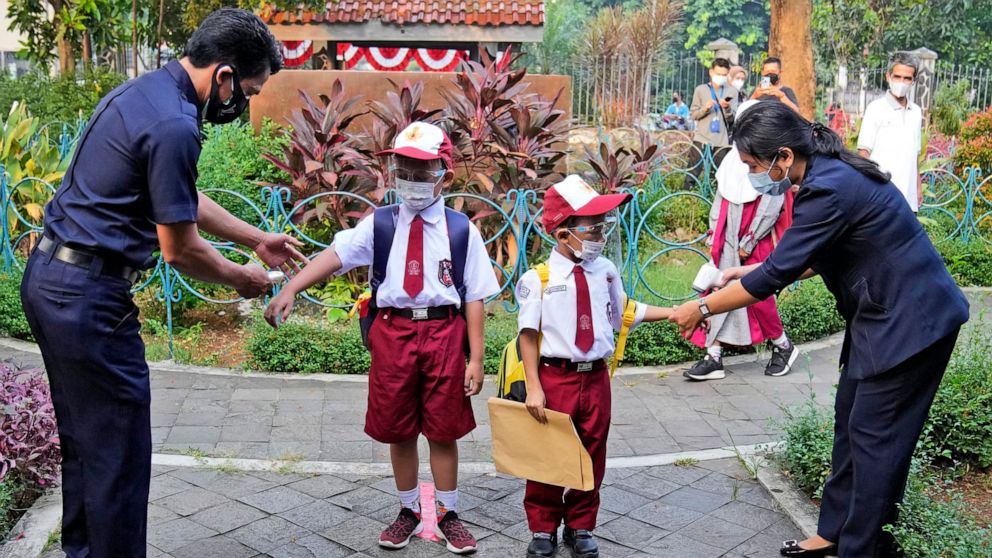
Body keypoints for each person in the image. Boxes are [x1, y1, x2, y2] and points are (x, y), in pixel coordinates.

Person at [18, 9, 304, 557]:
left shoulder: (145, 93)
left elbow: (179, 195)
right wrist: (239, 277)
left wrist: (254, 239)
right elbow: (180, 248)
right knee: (120, 455)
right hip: (88, 298)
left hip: (53, 281)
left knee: (86, 444)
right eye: (247, 90)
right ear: (223, 76)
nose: (242, 103)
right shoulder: (175, 123)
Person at [669, 102, 969, 558]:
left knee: (877, 445)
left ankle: (861, 548)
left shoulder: (830, 185)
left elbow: (775, 279)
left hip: (912, 326)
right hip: (882, 318)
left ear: (783, 157)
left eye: (753, 165)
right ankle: (832, 534)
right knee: (851, 427)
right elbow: (808, 254)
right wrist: (748, 269)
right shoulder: (826, 172)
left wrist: (702, 307)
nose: (751, 174)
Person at [265, 122, 499, 555]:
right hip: (392, 332)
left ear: (444, 174)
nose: (410, 179)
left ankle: (448, 512)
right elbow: (335, 256)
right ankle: (409, 509)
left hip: (444, 332)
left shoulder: (461, 229)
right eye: (403, 168)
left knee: (443, 430)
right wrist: (291, 287)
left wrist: (477, 358)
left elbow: (476, 298)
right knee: (399, 429)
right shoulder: (381, 225)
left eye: (422, 169)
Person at [518, 175, 673, 558]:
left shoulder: (605, 270)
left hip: (596, 376)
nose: (600, 235)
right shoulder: (538, 279)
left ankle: (581, 523)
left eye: (603, 227)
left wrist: (674, 313)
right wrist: (534, 386)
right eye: (592, 227)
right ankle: (543, 527)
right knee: (549, 452)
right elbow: (528, 337)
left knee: (592, 450)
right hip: (555, 376)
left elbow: (625, 312)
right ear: (564, 232)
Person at [685, 101, 798, 382]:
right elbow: (720, 198)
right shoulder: (732, 161)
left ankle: (782, 344)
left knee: (758, 294)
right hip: (727, 237)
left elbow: (772, 204)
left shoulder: (768, 161)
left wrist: (751, 238)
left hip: (752, 240)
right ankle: (714, 355)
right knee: (716, 292)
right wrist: (715, 234)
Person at [857, 52, 924, 212]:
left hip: (908, 198)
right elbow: (863, 153)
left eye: (907, 78)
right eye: (898, 76)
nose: (902, 82)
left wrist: (918, 188)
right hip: (881, 196)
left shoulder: (916, 112)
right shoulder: (876, 109)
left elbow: (914, 155)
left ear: (913, 81)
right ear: (888, 76)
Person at [684, 58, 738, 189]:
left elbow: (734, 120)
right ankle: (687, 198)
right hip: (702, 138)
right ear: (711, 72)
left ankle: (713, 202)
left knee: (718, 177)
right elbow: (693, 115)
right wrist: (705, 108)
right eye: (718, 74)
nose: (721, 77)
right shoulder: (701, 90)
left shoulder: (732, 92)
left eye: (724, 75)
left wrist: (727, 109)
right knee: (692, 172)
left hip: (722, 141)